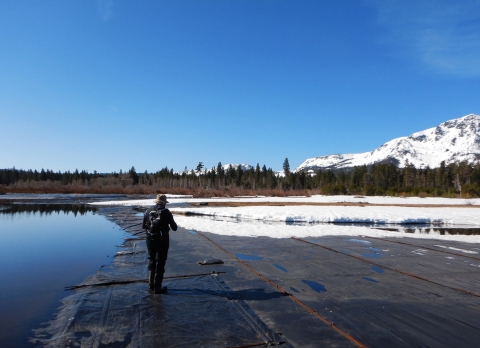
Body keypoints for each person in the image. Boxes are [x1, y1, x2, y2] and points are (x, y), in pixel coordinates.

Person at [142, 194, 177, 294]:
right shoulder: (166, 212)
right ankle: (157, 287)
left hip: (149, 239)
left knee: (151, 259)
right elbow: (174, 228)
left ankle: (151, 284)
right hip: (162, 240)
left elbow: (143, 226)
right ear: (165, 203)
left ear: (156, 202)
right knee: (160, 261)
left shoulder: (148, 211)